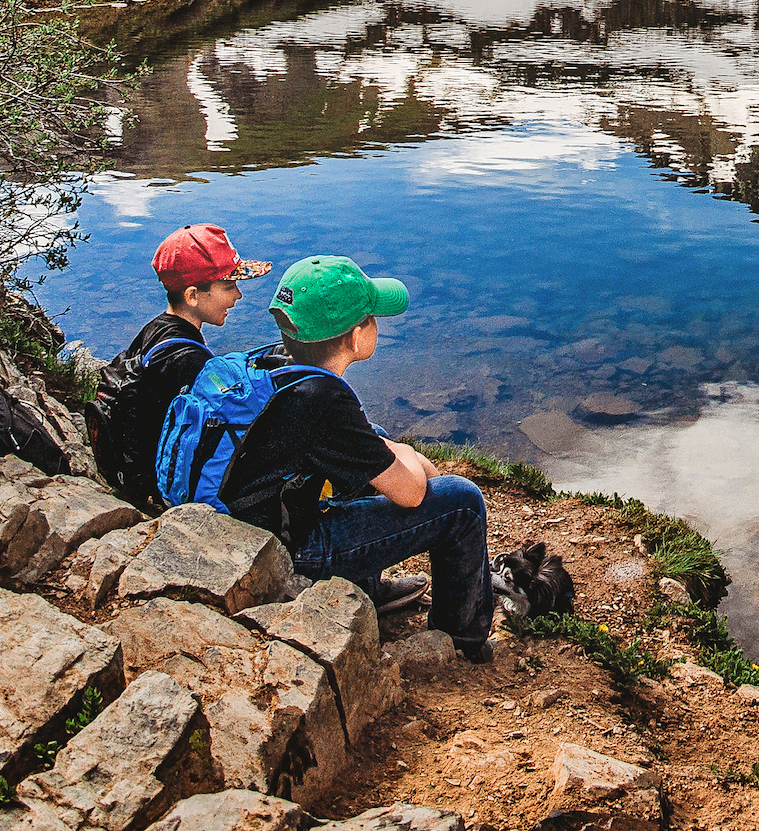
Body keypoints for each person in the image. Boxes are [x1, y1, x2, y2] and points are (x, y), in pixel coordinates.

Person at [223, 254, 493, 660]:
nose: (376, 324)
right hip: (289, 554)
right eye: (371, 318)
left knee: (376, 443)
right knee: (462, 501)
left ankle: (366, 591)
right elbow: (413, 494)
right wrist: (406, 454)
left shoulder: (276, 364)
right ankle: (462, 641)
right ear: (354, 337)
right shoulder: (324, 401)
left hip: (249, 527)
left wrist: (388, 450)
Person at [90, 224, 268, 511]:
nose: (238, 295)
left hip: (130, 469)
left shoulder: (155, 329)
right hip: (159, 488)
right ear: (193, 295)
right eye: (228, 286)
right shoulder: (190, 361)